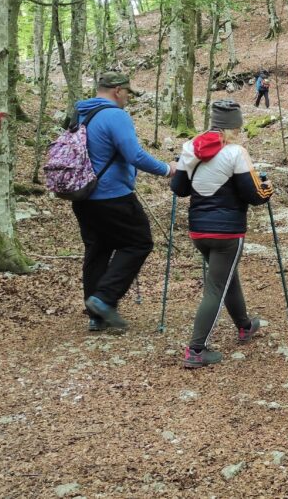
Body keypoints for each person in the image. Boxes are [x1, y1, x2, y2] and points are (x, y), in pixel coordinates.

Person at [171, 101, 273, 368]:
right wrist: (267, 188)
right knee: (216, 286)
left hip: (198, 231)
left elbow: (179, 188)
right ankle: (196, 350)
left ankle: (245, 325)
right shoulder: (236, 153)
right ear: (234, 126)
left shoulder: (190, 148)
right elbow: (254, 196)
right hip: (227, 233)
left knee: (226, 276)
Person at [73, 72, 176, 331]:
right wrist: (166, 169)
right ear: (117, 90)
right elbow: (134, 155)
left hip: (83, 195)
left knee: (98, 250)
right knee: (139, 242)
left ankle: (97, 316)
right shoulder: (115, 116)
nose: (128, 99)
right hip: (113, 196)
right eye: (128, 93)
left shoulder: (80, 113)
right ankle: (104, 299)